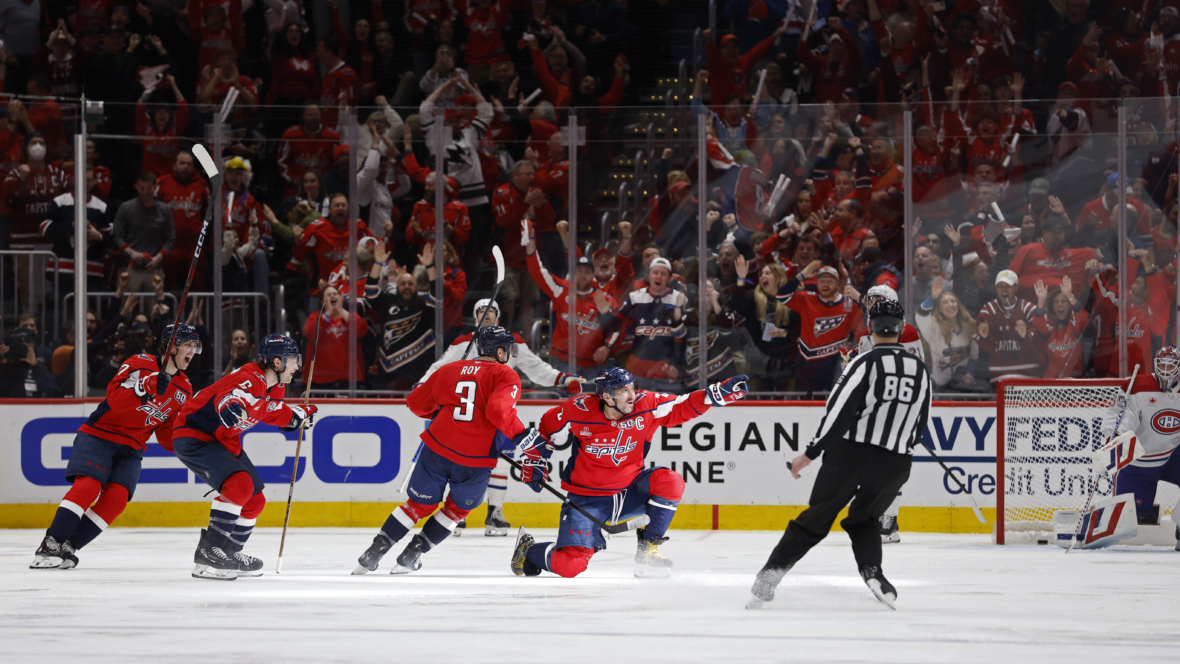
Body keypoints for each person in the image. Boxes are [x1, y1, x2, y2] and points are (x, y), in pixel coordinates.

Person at [748, 300, 932, 610]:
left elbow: (838, 413)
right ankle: (874, 573)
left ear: (870, 328)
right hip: (897, 462)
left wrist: (809, 453)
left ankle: (768, 577)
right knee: (866, 519)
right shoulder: (921, 370)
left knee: (816, 518)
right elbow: (920, 425)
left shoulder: (864, 362)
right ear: (901, 329)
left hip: (852, 455)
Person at [510, 367, 750, 579]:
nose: (632, 395)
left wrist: (715, 394)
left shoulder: (647, 404)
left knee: (670, 481)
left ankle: (649, 547)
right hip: (586, 500)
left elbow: (683, 405)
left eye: (632, 387)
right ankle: (528, 550)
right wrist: (536, 461)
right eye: (623, 390)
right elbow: (547, 430)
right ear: (606, 396)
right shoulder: (577, 409)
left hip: (628, 492)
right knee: (571, 565)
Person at [353, 326, 538, 575]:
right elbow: (498, 411)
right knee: (456, 510)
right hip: (475, 460)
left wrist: (441, 407)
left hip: (437, 450)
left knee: (415, 506)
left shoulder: (450, 369)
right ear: (500, 351)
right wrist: (521, 436)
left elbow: (416, 404)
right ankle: (410, 556)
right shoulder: (506, 375)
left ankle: (373, 552)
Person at [30, 324, 199, 569]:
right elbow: (115, 398)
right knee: (88, 486)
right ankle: (50, 544)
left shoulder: (184, 388)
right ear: (171, 346)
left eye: (195, 346)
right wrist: (146, 385)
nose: (192, 351)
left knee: (117, 499)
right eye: (187, 345)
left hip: (132, 448)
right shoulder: (140, 362)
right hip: (100, 435)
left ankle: (69, 547)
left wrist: (188, 441)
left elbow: (164, 433)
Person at [418, 296, 585, 536]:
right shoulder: (464, 342)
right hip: (470, 417)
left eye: (490, 311)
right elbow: (439, 368)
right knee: (461, 462)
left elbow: (536, 368)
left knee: (500, 462)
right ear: (475, 317)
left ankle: (494, 513)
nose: (486, 315)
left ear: (498, 315)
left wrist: (563, 379)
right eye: (481, 312)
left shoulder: (511, 342)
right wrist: (422, 385)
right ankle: (455, 513)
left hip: (499, 414)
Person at [171, 334, 318, 580]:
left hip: (224, 441)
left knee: (254, 501)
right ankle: (208, 555)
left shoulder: (276, 386)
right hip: (196, 435)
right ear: (278, 362)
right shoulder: (251, 378)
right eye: (294, 359)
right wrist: (229, 406)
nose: (298, 365)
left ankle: (228, 553)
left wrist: (294, 417)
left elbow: (268, 410)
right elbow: (232, 397)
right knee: (240, 484)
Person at [1105, 346, 1180, 545]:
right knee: (1129, 514)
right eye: (1162, 365)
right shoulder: (1137, 385)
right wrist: (1116, 437)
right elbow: (1121, 415)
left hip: (1173, 456)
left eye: (1170, 366)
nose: (1165, 370)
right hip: (1141, 459)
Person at [976, 269, 1044, 385]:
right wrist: (985, 338)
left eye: (1008, 286)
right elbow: (987, 349)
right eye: (1000, 286)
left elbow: (1038, 342)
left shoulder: (1028, 309)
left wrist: (1024, 337)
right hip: (999, 376)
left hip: (1028, 375)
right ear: (996, 288)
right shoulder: (988, 310)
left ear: (1016, 288)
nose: (1004, 290)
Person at [112, 171, 175, 292]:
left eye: (149, 188)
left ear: (155, 187)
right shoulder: (126, 208)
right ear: (136, 186)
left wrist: (158, 257)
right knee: (126, 308)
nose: (145, 192)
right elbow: (117, 236)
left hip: (154, 267)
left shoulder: (165, 210)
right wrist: (132, 253)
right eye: (142, 188)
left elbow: (170, 239)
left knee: (155, 309)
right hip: (129, 267)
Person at [302, 284, 368, 390]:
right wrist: (328, 313)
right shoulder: (315, 317)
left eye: (335, 294)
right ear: (322, 301)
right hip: (318, 379)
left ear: (341, 299)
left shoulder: (350, 316)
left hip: (347, 379)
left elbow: (362, 330)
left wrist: (341, 310)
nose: (332, 296)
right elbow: (310, 333)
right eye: (328, 295)